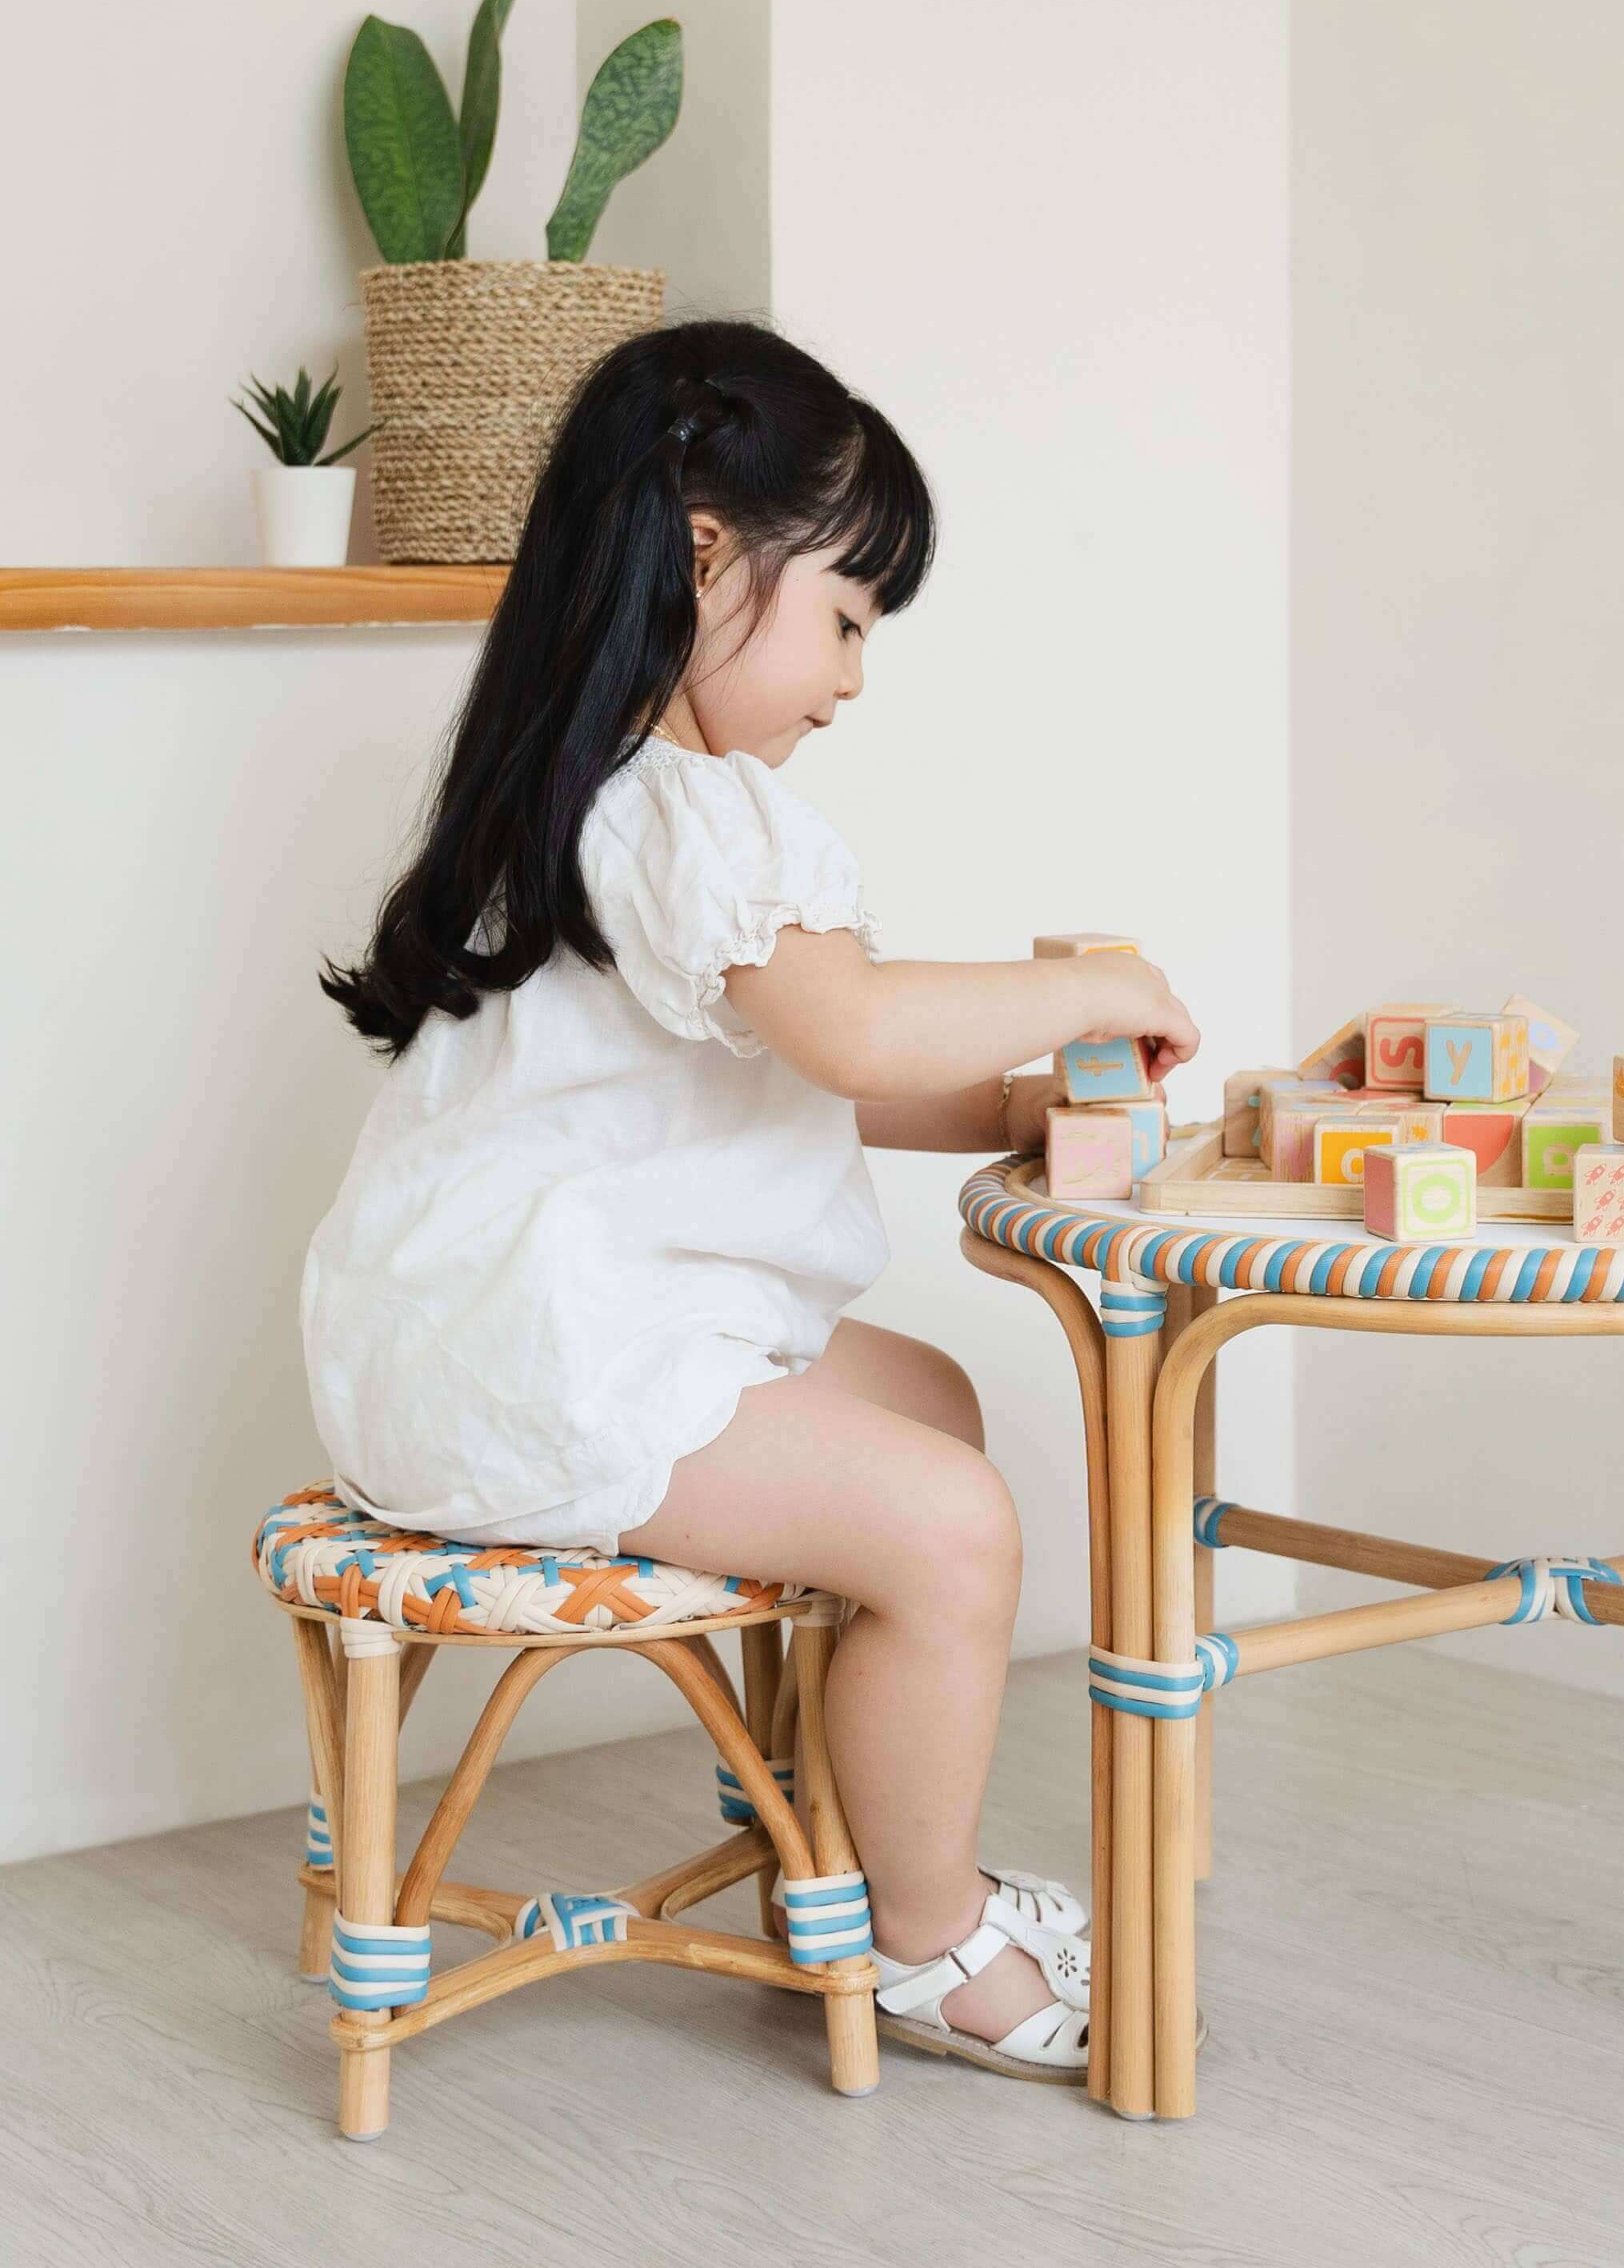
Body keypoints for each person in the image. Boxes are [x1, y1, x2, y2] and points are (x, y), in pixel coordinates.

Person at [306, 318, 1200, 2082]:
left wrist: (1034, 1104)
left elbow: (822, 1066)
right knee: (945, 1524)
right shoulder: (695, 816)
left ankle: (840, 1824)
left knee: (932, 1408)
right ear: (707, 557)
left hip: (480, 1325)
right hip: (547, 1350)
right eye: (847, 618)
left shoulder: (609, 805)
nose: (854, 677)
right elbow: (850, 1024)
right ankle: (928, 1935)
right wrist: (1090, 989)